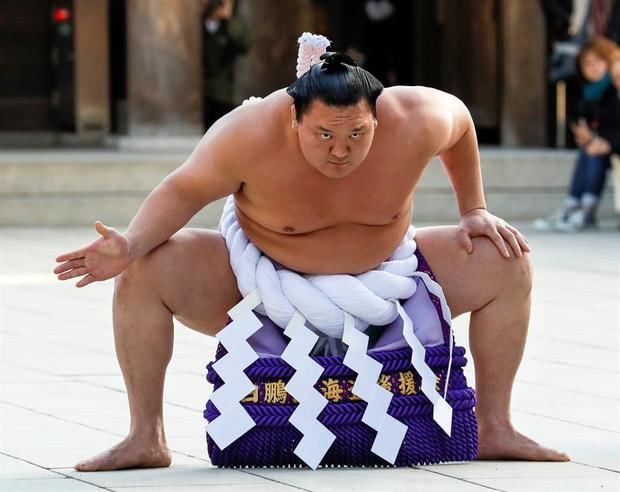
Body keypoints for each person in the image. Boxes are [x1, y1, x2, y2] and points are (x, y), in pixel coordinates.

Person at [54, 45, 569, 471]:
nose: (340, 150)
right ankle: (146, 436)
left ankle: (493, 426)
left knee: (506, 258)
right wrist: (130, 244)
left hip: (388, 284)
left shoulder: (415, 117)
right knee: (147, 268)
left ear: (378, 118)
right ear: (293, 118)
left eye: (357, 134)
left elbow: (460, 128)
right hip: (261, 284)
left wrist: (474, 209)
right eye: (324, 134)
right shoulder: (248, 132)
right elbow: (182, 190)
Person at [535, 36, 618, 231]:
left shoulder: (613, 87)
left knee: (593, 152)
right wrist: (588, 135)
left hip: (611, 144)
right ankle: (573, 206)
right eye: (587, 63)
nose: (592, 68)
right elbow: (582, 119)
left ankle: (585, 209)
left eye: (598, 62)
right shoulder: (589, 91)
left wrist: (607, 143)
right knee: (588, 150)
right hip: (603, 144)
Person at [200, 0, 250, 130]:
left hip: (223, 92)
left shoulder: (230, 25)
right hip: (201, 91)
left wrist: (229, 19)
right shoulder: (198, 24)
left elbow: (244, 45)